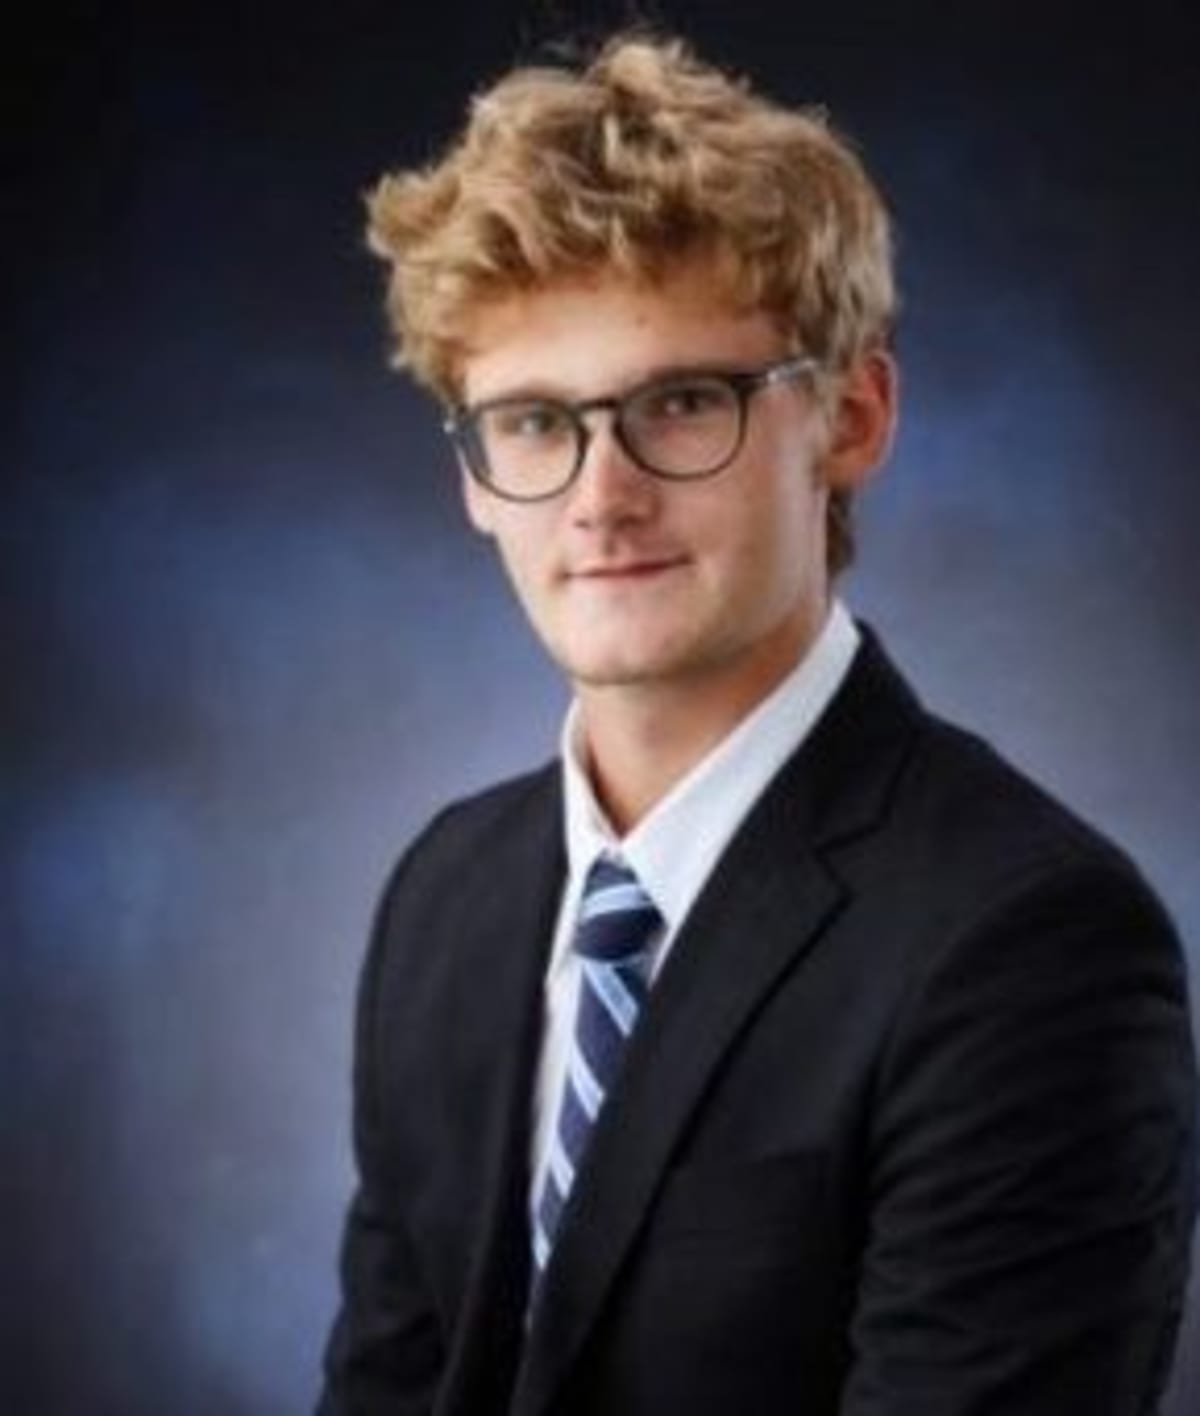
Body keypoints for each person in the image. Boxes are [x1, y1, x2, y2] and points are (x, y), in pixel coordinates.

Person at [317, 31, 1196, 1415]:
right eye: (537, 423)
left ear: (849, 419)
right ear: (476, 478)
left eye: (681, 403)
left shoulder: (1030, 943)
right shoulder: (446, 895)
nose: (601, 497)